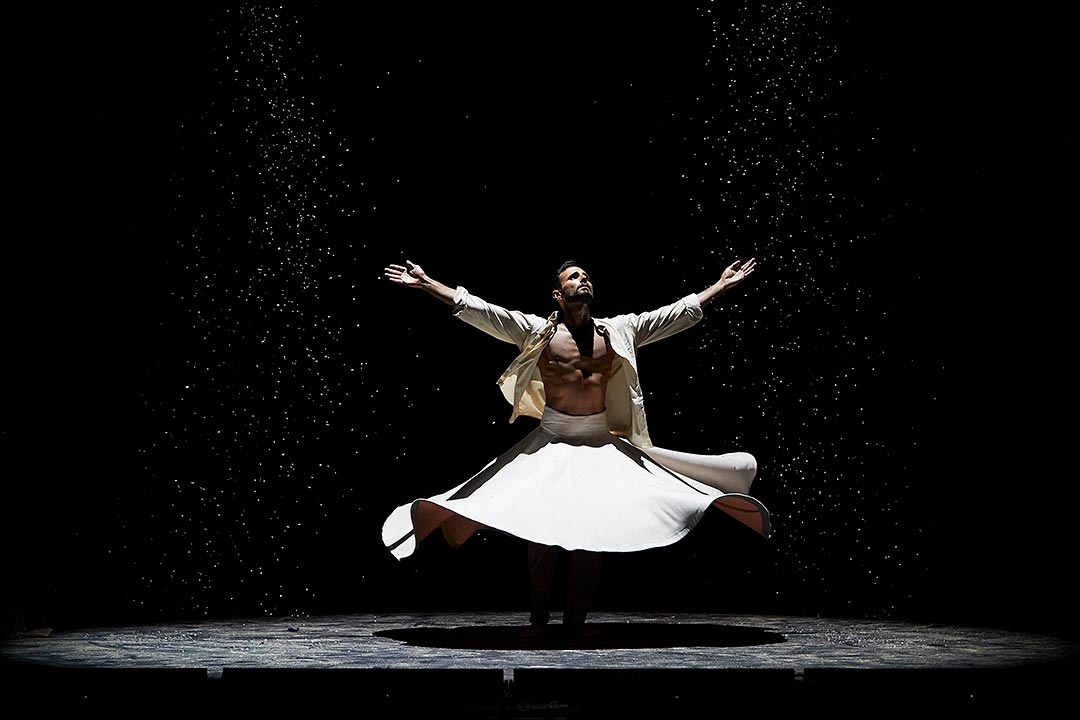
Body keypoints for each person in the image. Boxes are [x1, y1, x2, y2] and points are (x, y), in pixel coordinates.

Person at [380, 257, 771, 638]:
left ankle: (576, 621)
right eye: (573, 276)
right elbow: (483, 311)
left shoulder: (618, 331)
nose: (582, 279)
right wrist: (428, 284)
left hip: (599, 443)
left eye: (585, 275)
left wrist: (719, 287)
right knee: (542, 533)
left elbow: (672, 315)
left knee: (591, 534)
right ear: (557, 293)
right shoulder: (538, 332)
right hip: (552, 441)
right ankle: (537, 619)